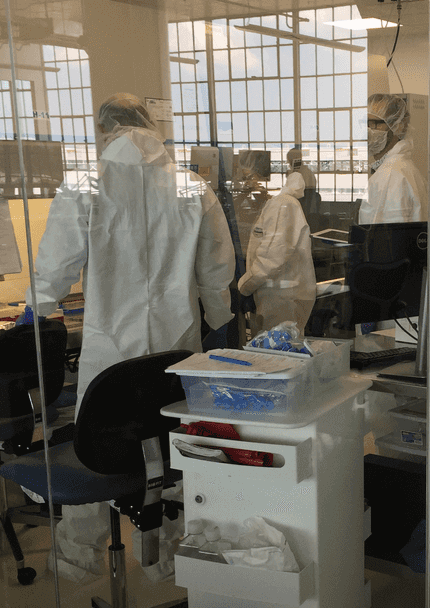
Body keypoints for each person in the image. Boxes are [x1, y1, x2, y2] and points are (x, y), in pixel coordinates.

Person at [26, 92, 236, 582]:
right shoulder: (189, 186)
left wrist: (38, 306)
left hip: (111, 349)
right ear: (150, 124)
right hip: (176, 342)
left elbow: (56, 261)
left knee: (99, 442)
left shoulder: (86, 184)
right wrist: (220, 312)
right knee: (171, 446)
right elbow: (216, 263)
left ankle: (80, 558)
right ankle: (165, 558)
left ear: (105, 129)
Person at [238, 172, 316, 335]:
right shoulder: (284, 204)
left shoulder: (282, 204)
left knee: (276, 348)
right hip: (285, 293)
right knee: (288, 345)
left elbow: (272, 255)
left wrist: (245, 286)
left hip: (279, 295)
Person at [359, 93, 430, 224]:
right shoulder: (404, 168)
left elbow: (379, 236)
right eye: (364, 123)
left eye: (374, 124)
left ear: (397, 126)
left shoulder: (390, 175)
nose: (367, 131)